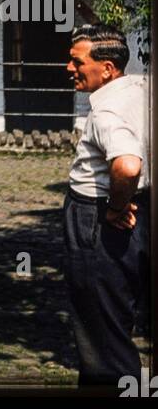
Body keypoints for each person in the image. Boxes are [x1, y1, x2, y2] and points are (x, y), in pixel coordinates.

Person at [63, 25, 150, 387]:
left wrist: (116, 206)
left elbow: (127, 165)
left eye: (76, 61)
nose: (69, 68)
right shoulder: (143, 90)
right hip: (143, 215)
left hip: (98, 219)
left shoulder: (105, 113)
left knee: (103, 339)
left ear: (108, 68)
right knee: (123, 311)